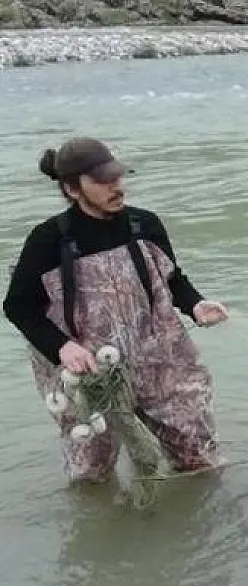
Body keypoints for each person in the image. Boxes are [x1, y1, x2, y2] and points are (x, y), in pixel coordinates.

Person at [3, 137, 229, 483]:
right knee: (91, 474)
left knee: (198, 455)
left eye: (117, 178)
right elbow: (18, 307)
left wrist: (196, 304)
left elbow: (171, 278)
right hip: (90, 372)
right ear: (71, 188)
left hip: (159, 358)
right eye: (102, 181)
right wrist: (62, 347)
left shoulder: (145, 224)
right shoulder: (47, 241)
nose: (116, 187)